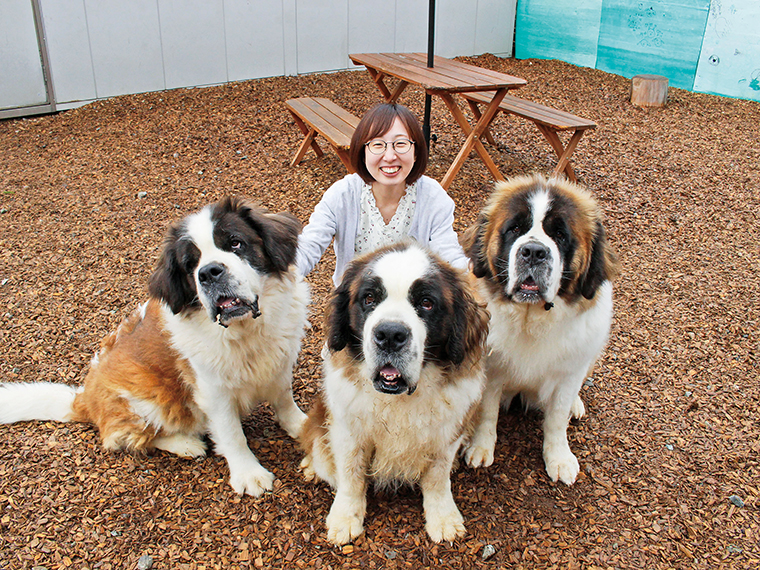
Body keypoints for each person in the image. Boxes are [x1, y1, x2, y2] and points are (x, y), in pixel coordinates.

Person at [296, 103, 469, 285]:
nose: (389, 156)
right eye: (377, 145)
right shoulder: (343, 195)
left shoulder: (432, 197)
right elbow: (309, 247)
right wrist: (277, 272)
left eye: (401, 144)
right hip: (357, 305)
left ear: (416, 152)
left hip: (412, 306)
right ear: (363, 152)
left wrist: (474, 272)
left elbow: (449, 254)